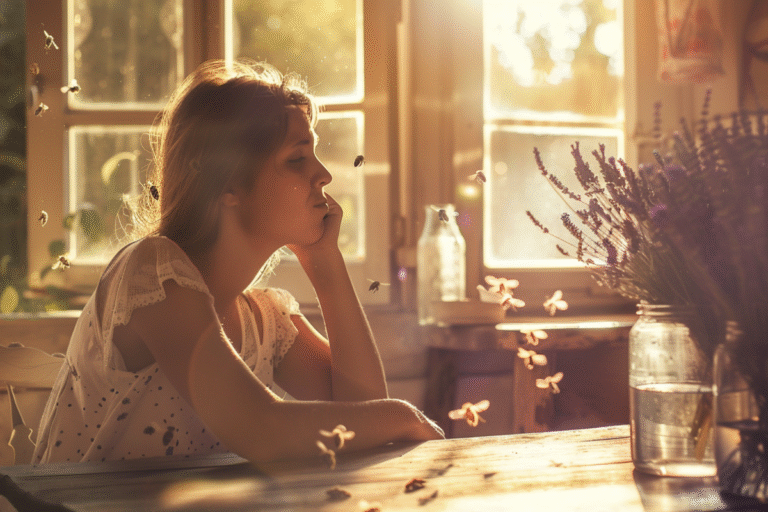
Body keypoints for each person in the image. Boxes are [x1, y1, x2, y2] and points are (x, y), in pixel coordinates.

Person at [32, 60, 444, 464]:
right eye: (297, 159)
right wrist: (402, 416)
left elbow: (362, 410)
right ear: (228, 182)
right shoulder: (150, 275)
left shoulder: (263, 319)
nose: (323, 174)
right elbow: (262, 428)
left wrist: (327, 264)